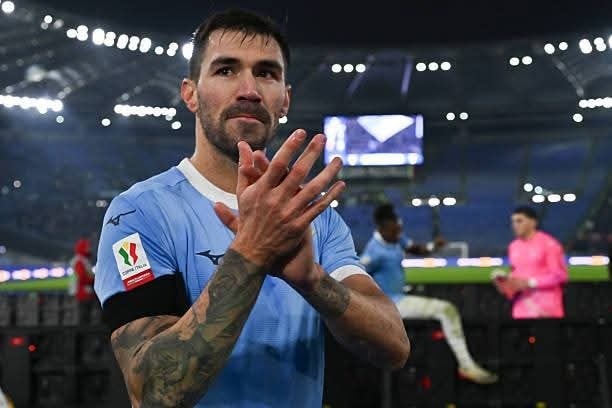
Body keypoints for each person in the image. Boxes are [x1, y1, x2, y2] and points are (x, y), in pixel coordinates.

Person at [94, 9, 409, 408]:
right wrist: (252, 252)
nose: (249, 90)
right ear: (190, 94)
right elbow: (154, 392)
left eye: (266, 73)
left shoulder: (315, 218)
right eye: (226, 70)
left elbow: (394, 348)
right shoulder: (138, 214)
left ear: (285, 100)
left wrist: (313, 280)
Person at [361, 204, 498, 384]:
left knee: (444, 309)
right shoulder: (373, 252)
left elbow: (415, 249)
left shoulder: (394, 239)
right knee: (446, 310)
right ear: (383, 227)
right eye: (396, 229)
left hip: (400, 298)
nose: (399, 233)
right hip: (391, 305)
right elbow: (357, 276)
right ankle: (466, 365)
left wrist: (433, 246)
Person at [492, 206, 568, 318]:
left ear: (533, 223)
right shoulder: (514, 246)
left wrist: (530, 283)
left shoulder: (549, 244)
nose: (515, 225)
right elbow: (516, 276)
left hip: (546, 310)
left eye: (519, 221)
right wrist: (506, 284)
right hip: (521, 309)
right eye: (513, 222)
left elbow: (560, 275)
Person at [68, 238, 95, 302]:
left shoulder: (82, 259)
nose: (89, 249)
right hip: (82, 291)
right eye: (87, 247)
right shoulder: (80, 260)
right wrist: (93, 279)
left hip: (82, 290)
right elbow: (82, 277)